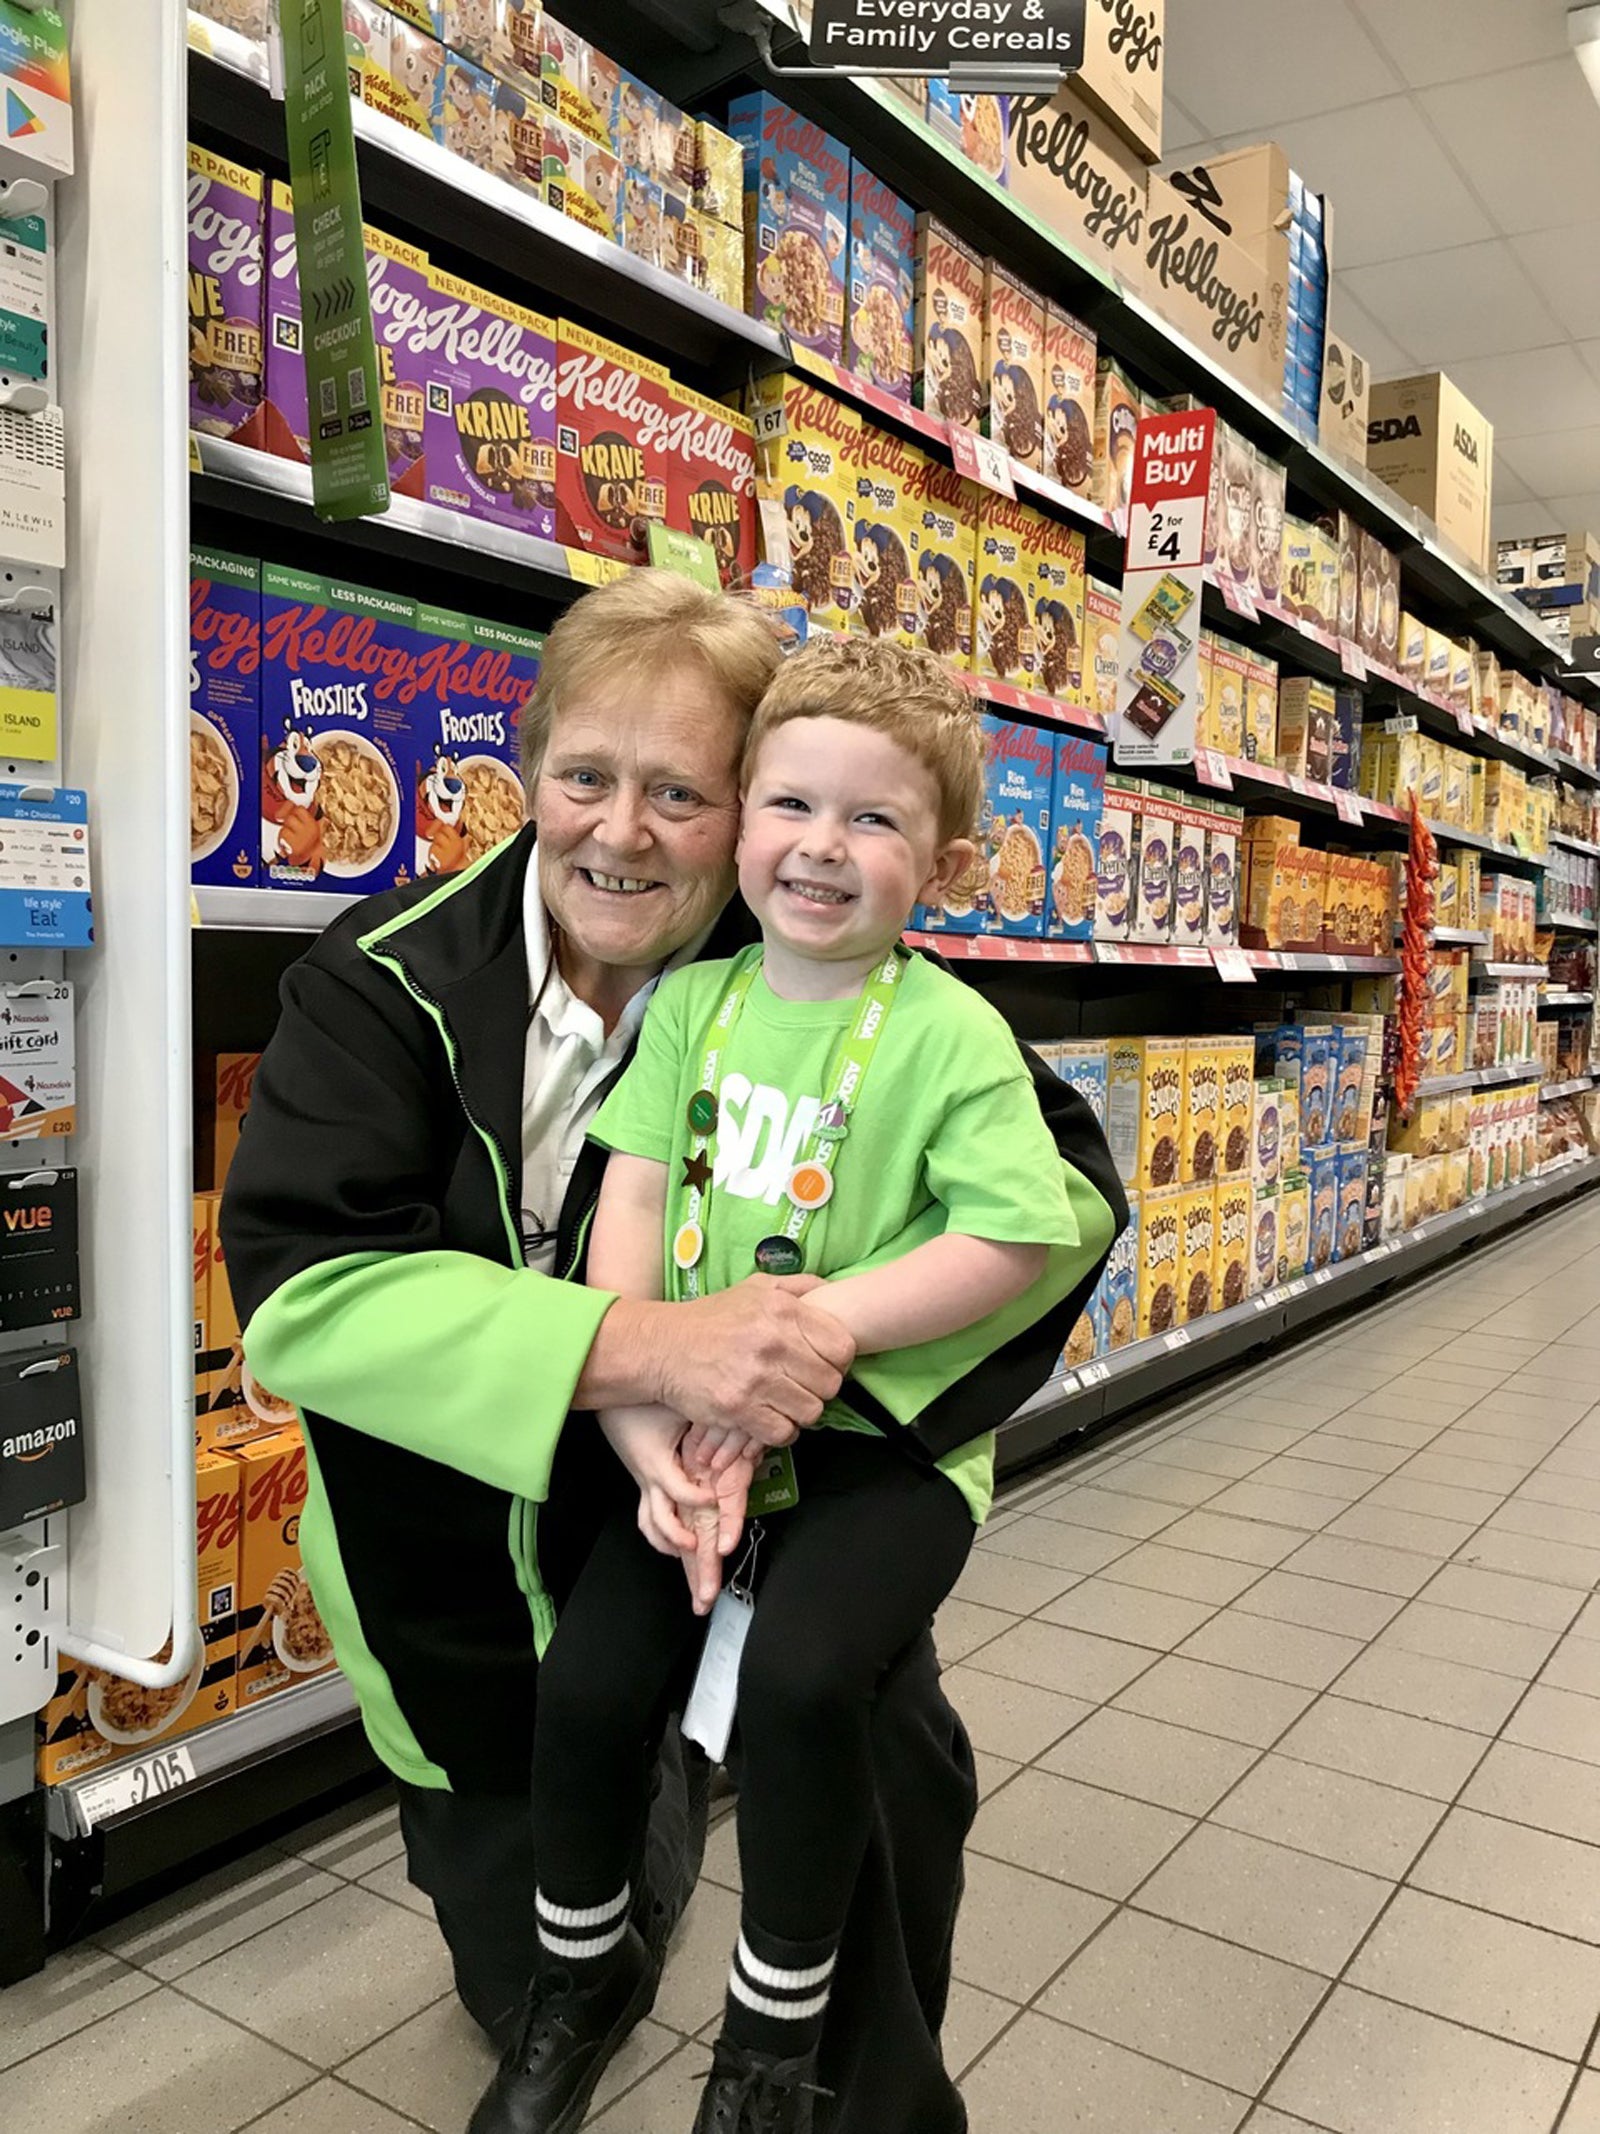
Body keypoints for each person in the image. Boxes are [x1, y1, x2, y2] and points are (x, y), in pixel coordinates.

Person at [221, 571, 1125, 2134]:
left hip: (772, 1519)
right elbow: (306, 1296)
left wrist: (824, 1392)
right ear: (531, 770)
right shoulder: (380, 982)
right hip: (473, 1578)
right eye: (586, 776)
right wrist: (656, 1356)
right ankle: (614, 1902)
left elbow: (1063, 1199)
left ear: (752, 806)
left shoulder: (831, 969)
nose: (621, 833)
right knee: (562, 1954)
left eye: (681, 793)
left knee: (851, 1852)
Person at [466, 637, 1115, 2134]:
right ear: (744, 813)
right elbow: (623, 1224)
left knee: (807, 1685)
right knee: (589, 1680)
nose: (823, 847)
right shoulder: (692, 1008)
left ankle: (770, 2048)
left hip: (880, 1454)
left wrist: (818, 1328)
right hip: (685, 1432)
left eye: (875, 820)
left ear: (943, 862)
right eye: (792, 804)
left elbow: (1016, 1229)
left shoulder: (953, 1034)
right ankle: (577, 1983)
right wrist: (644, 1441)